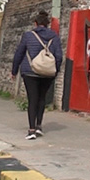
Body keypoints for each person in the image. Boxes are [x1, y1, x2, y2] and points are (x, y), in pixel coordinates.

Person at [11, 10, 63, 140]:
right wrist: (55, 71)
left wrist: (14, 70)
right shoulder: (54, 37)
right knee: (41, 98)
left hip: (30, 71)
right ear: (47, 24)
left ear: (35, 23)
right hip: (47, 73)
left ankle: (31, 130)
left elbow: (19, 53)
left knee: (32, 100)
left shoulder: (28, 36)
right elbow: (59, 56)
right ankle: (39, 126)